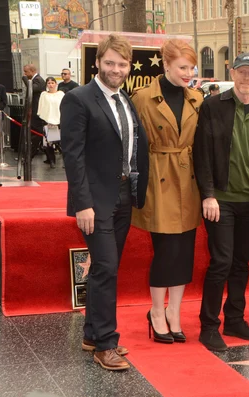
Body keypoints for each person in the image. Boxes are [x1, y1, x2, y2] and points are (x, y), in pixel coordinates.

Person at [60, 34, 150, 371]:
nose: (116, 69)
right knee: (107, 267)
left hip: (124, 195)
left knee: (104, 268)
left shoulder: (124, 99)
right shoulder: (78, 99)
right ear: (97, 62)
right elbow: (74, 155)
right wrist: (82, 203)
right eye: (110, 62)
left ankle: (91, 334)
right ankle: (105, 344)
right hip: (95, 201)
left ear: (129, 67)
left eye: (122, 64)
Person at [193, 52, 249, 352]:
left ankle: (234, 319)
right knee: (222, 261)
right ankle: (208, 325)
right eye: (241, 72)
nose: (246, 78)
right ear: (232, 73)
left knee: (241, 264)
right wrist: (208, 194)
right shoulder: (213, 107)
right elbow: (201, 154)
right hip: (221, 202)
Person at [131, 39, 203, 345]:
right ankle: (156, 312)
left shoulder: (197, 98)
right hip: (158, 176)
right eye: (182, 67)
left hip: (188, 178)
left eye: (191, 67)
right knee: (165, 250)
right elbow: (134, 145)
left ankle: (175, 312)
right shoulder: (142, 97)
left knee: (185, 250)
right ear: (166, 65)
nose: (188, 73)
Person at [37, 77, 64, 168]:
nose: (51, 85)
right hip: (48, 120)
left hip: (60, 120)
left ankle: (66, 162)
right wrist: (45, 119)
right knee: (49, 142)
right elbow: (42, 107)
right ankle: (51, 160)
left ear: (56, 84)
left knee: (62, 143)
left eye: (52, 83)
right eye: (49, 83)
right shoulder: (44, 94)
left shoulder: (61, 94)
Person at [23, 64, 47, 159]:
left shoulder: (38, 80)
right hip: (32, 111)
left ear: (32, 71)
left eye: (26, 72)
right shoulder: (34, 80)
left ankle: (31, 154)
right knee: (35, 134)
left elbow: (31, 88)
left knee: (37, 134)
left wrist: (24, 79)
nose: (25, 74)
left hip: (37, 111)